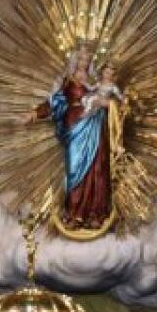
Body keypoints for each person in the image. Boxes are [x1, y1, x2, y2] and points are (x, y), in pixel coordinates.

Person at [26, 44, 114, 230]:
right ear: (75, 60)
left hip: (95, 125)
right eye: (81, 58)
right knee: (74, 168)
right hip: (74, 125)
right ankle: (74, 213)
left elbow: (111, 99)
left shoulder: (95, 81)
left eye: (88, 59)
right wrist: (35, 113)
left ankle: (94, 214)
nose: (84, 62)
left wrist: (108, 104)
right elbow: (54, 102)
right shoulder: (68, 81)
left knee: (96, 168)